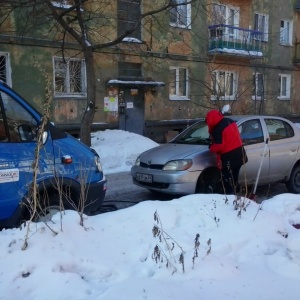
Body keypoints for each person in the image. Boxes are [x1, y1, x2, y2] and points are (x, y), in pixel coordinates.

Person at [205, 109, 248, 194]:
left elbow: (219, 146)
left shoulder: (217, 130)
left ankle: (229, 197)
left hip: (228, 158)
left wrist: (211, 146)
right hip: (239, 154)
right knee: (234, 178)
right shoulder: (230, 121)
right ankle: (235, 196)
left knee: (227, 180)